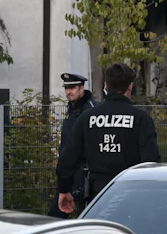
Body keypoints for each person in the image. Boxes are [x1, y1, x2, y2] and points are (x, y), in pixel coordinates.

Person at [55, 63, 160, 214]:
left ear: (106, 85)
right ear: (130, 86)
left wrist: (64, 190)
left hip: (98, 195)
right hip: (132, 193)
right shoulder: (140, 118)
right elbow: (150, 161)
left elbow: (67, 158)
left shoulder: (87, 117)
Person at [47, 72, 99, 218]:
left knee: (86, 218)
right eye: (66, 88)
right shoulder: (73, 109)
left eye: (73, 88)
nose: (69, 92)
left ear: (82, 88)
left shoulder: (91, 109)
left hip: (85, 173)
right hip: (69, 171)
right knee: (55, 216)